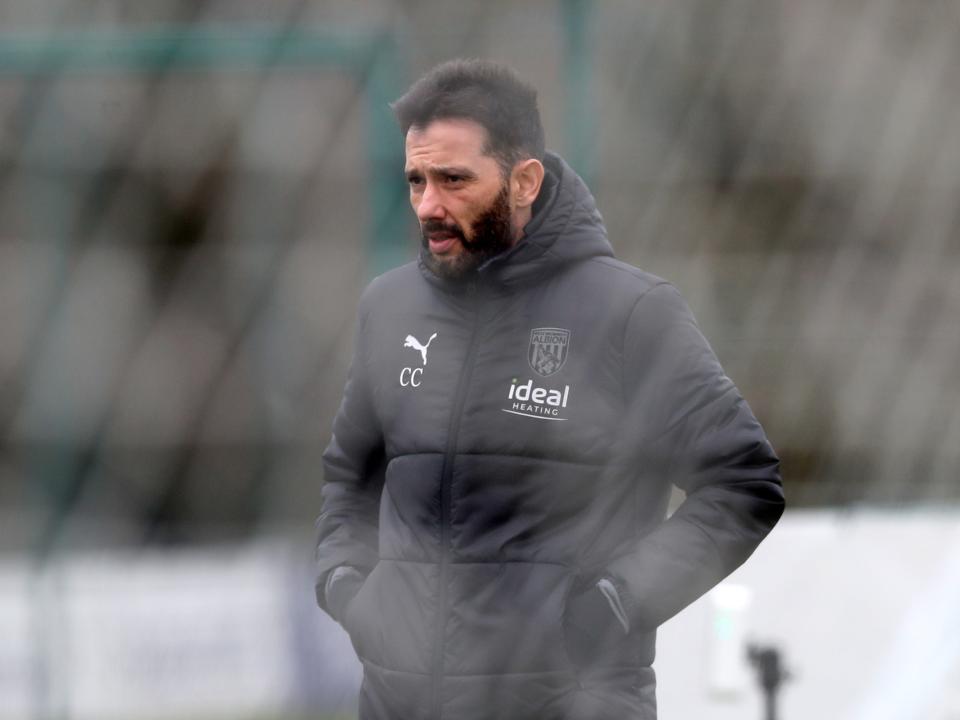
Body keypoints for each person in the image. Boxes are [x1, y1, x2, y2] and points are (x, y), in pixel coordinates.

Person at [315, 59, 784, 720]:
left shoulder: (629, 313)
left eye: (454, 180)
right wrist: (347, 588)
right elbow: (347, 476)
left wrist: (616, 603)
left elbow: (744, 483)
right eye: (416, 180)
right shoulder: (389, 309)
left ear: (525, 181)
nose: (428, 206)